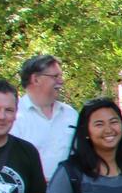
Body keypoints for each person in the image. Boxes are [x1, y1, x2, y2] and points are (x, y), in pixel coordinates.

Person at [12, 54, 77, 182]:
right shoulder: (13, 115)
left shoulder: (71, 114)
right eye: (55, 76)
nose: (61, 81)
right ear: (36, 79)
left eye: (61, 76)